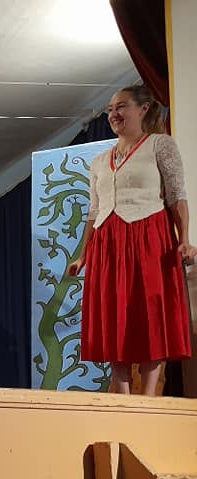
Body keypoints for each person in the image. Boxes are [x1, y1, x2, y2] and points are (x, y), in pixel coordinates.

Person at [68, 85, 195, 395]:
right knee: (114, 314)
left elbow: (176, 196)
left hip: (149, 237)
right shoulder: (100, 160)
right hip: (107, 243)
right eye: (111, 109)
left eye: (121, 106)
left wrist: (184, 239)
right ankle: (123, 399)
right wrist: (83, 254)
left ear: (143, 109)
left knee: (150, 312)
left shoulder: (160, 145)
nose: (114, 114)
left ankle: (149, 397)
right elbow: (94, 211)